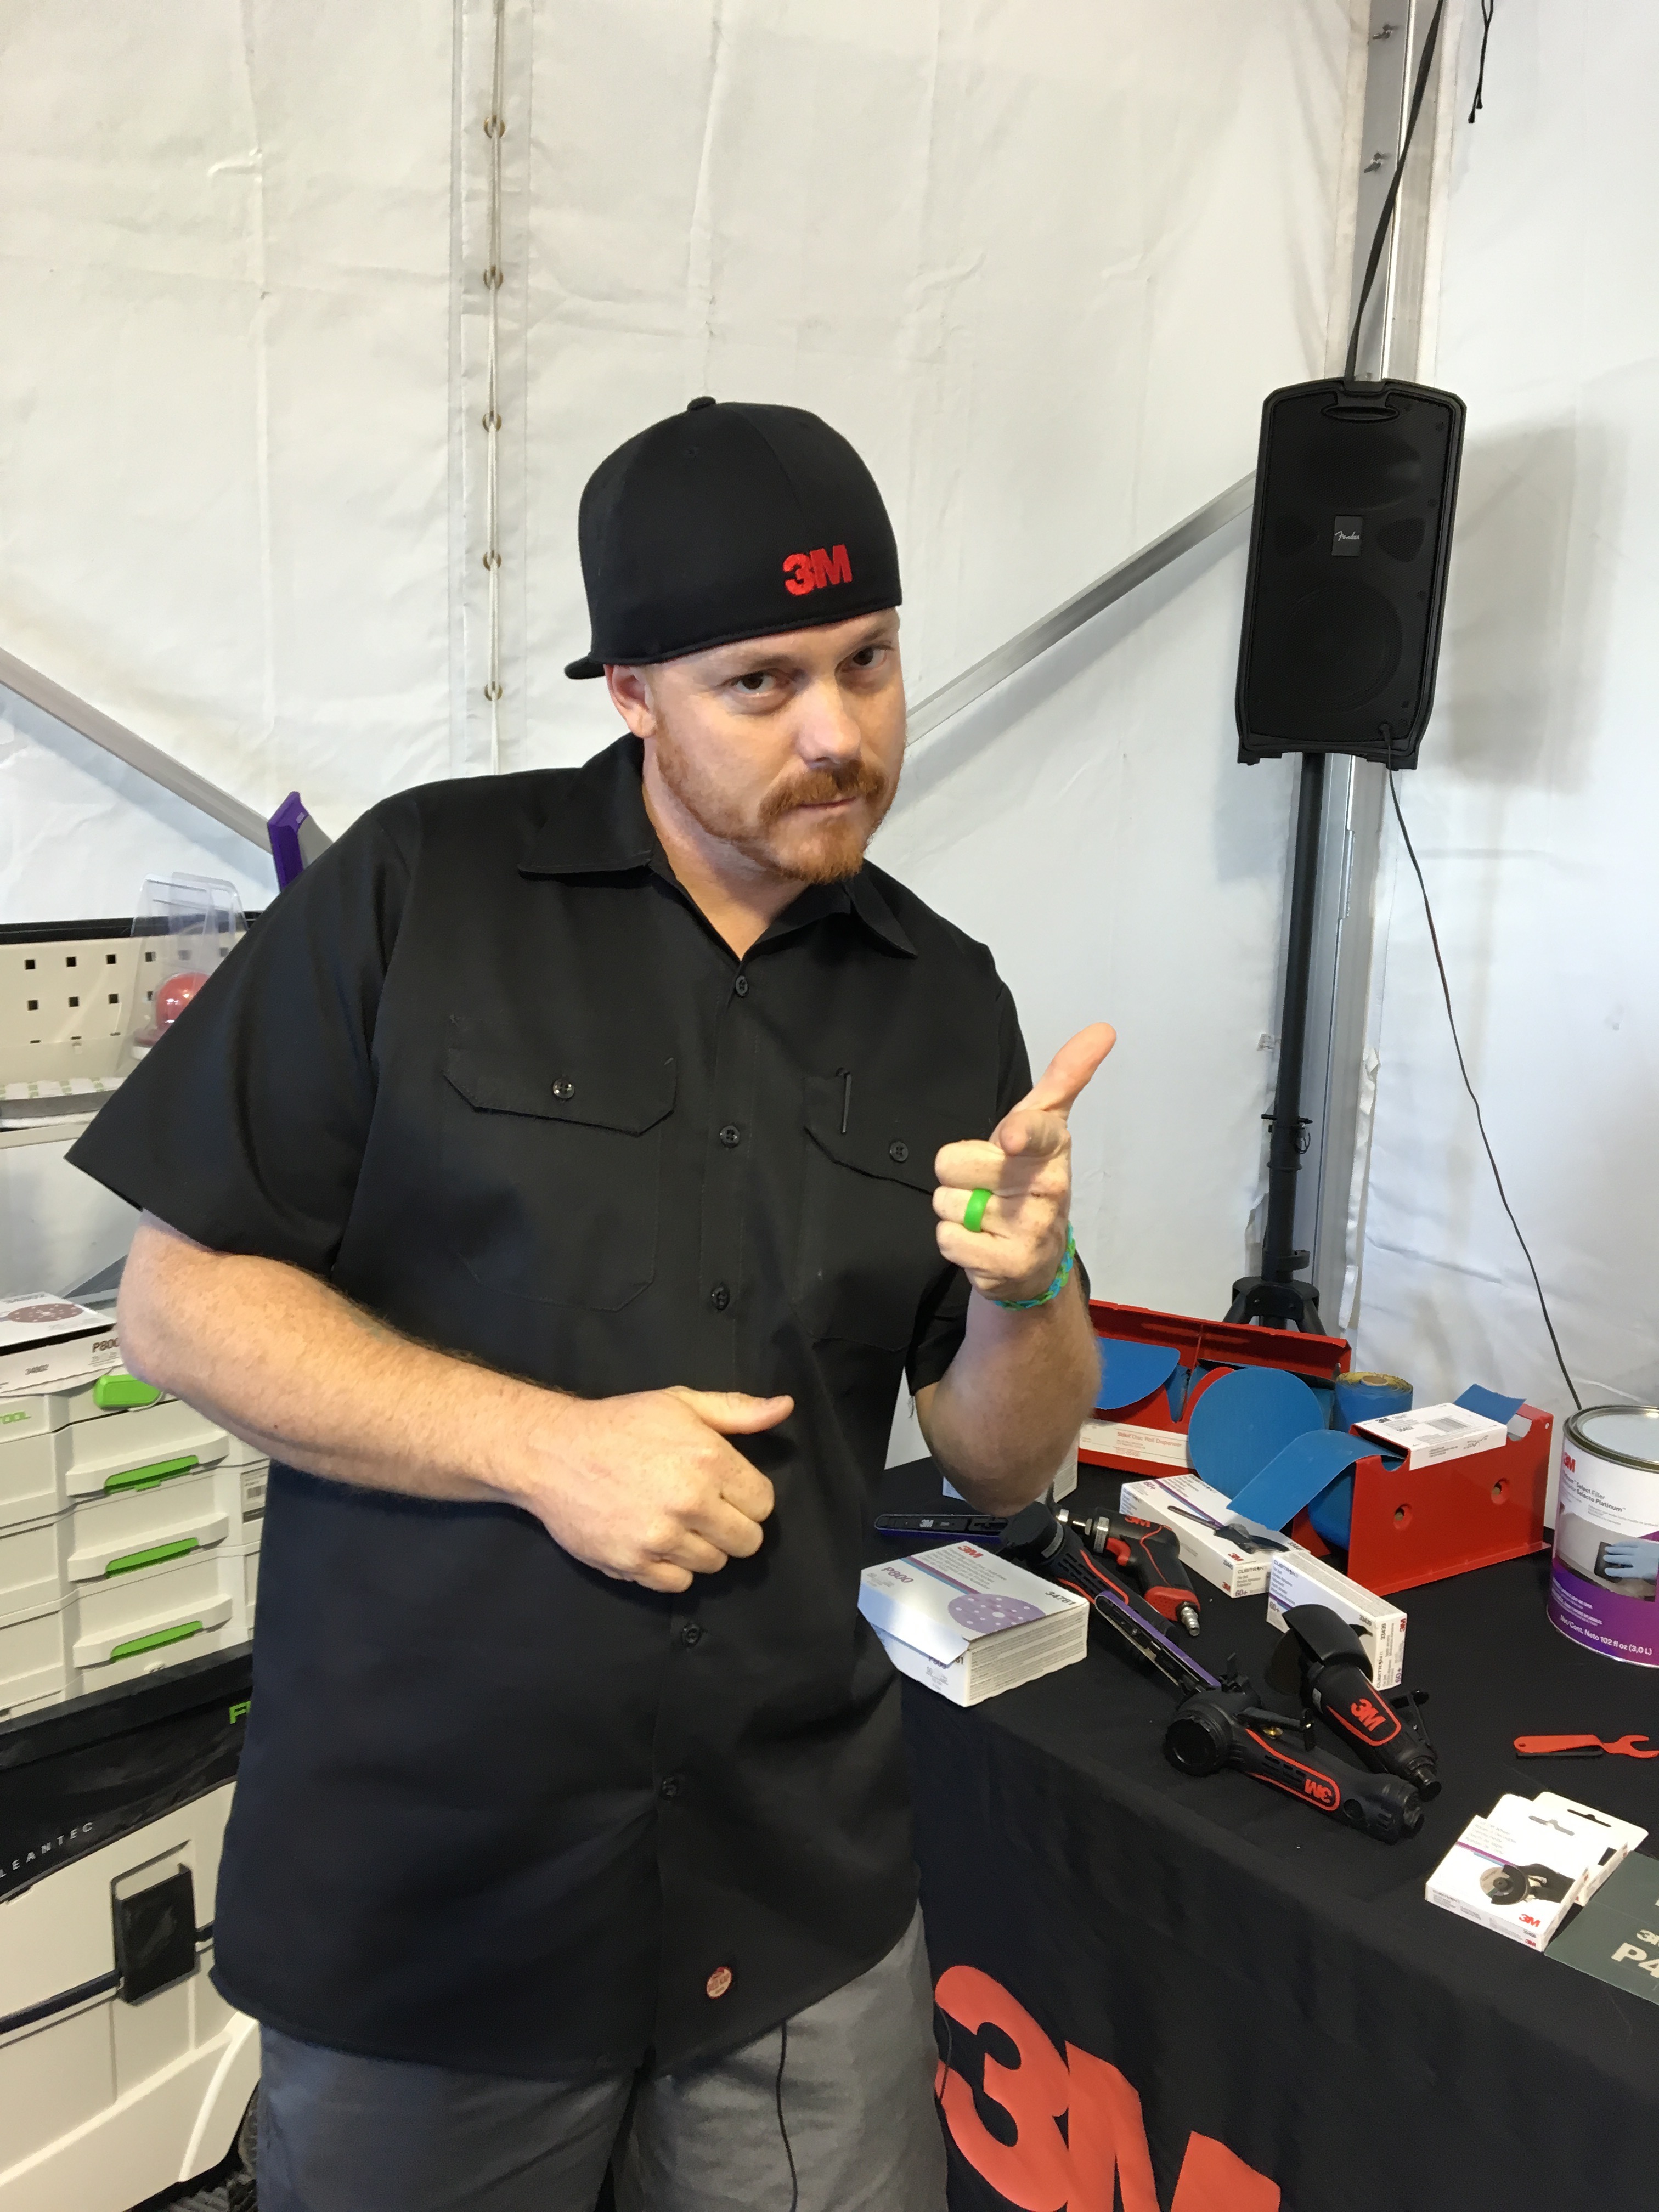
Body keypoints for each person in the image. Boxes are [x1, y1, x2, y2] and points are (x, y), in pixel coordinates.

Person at [70, 398, 1111, 2212]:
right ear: (631, 692)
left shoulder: (946, 995)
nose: (839, 734)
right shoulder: (421, 892)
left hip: (795, 1908)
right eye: (761, 683)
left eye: (868, 663)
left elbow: (1005, 1462)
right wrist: (541, 1449)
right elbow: (178, 1304)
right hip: (439, 1907)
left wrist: (1037, 1285)